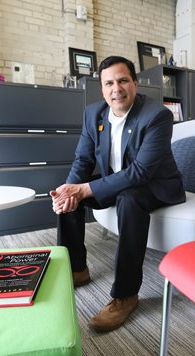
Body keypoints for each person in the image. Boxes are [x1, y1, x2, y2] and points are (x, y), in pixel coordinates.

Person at [50, 55, 185, 333]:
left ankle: (125, 295)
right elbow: (83, 161)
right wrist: (69, 191)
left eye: (123, 80)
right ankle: (77, 269)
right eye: (109, 82)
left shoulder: (157, 116)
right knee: (72, 197)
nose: (116, 88)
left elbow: (140, 173)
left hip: (155, 185)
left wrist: (85, 187)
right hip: (119, 180)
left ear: (135, 84)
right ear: (102, 88)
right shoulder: (93, 114)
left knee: (129, 198)